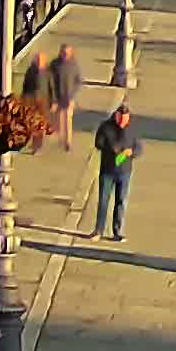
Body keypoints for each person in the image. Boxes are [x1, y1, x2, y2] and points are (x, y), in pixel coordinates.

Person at [90, 102, 138, 240]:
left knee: (121, 201)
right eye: (121, 119)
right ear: (116, 116)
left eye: (126, 119)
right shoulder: (106, 127)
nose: (123, 122)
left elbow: (138, 147)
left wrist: (131, 152)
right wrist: (112, 149)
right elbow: (98, 143)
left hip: (125, 172)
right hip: (108, 170)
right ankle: (98, 230)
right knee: (103, 201)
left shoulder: (132, 128)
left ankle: (117, 232)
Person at [45, 44, 80, 146]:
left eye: (67, 53)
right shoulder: (54, 64)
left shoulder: (74, 65)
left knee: (68, 119)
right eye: (63, 52)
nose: (65, 54)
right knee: (59, 119)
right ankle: (60, 139)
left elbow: (78, 81)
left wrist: (73, 94)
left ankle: (67, 141)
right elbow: (50, 81)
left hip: (69, 97)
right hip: (57, 96)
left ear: (71, 53)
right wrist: (53, 99)